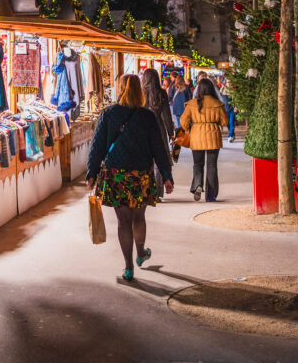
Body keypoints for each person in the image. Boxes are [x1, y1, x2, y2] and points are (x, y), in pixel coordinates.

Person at [86, 74, 174, 282]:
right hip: (141, 176)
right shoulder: (147, 116)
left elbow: (97, 146)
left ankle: (128, 267)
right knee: (139, 218)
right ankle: (141, 253)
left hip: (116, 176)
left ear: (120, 89)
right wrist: (167, 175)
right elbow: (158, 149)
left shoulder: (108, 114)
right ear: (139, 90)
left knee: (123, 222)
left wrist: (92, 172)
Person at [180, 78, 229, 202]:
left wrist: (189, 127)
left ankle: (198, 185)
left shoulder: (191, 104)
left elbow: (183, 122)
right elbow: (225, 121)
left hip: (196, 136)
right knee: (212, 166)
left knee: (198, 164)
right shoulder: (217, 104)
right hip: (213, 136)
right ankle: (211, 195)